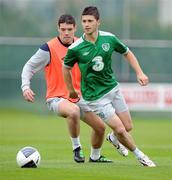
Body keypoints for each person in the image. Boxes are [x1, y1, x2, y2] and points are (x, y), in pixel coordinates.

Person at [63, 7, 156, 167]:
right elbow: (66, 68)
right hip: (95, 97)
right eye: (84, 21)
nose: (86, 24)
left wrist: (140, 73)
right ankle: (141, 156)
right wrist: (71, 89)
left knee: (127, 127)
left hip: (113, 88)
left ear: (98, 22)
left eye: (90, 21)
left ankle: (113, 138)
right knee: (120, 129)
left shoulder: (109, 38)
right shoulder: (76, 48)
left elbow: (127, 52)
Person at [21, 14, 113, 163]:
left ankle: (95, 157)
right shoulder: (48, 48)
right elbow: (29, 67)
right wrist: (25, 87)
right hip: (56, 98)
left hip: (78, 98)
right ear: (58, 28)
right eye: (63, 29)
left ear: (75, 28)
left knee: (100, 128)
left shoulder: (82, 44)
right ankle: (77, 149)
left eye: (69, 29)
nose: (66, 33)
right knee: (73, 111)